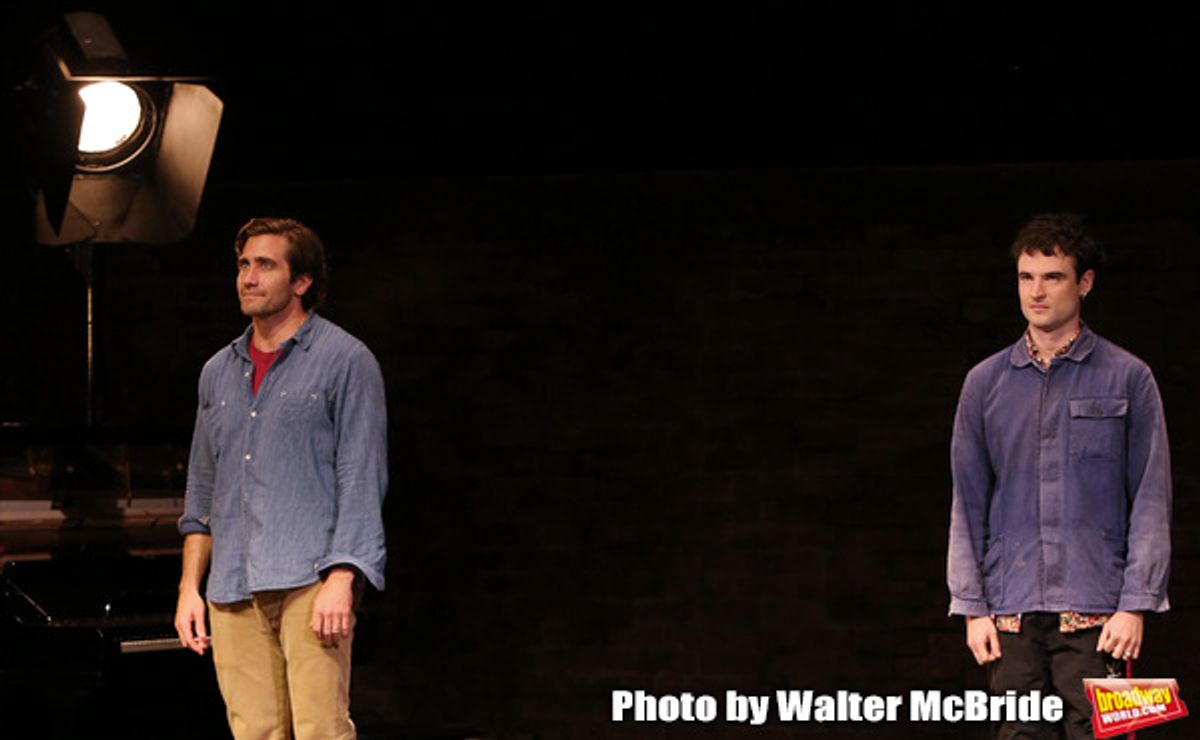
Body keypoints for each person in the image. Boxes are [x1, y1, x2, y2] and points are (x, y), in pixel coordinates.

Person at [947, 212, 1171, 739]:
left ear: (1084, 283)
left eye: (1053, 277)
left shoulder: (1128, 377)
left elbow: (1151, 496)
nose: (1036, 292)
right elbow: (968, 499)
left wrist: (1136, 603)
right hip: (1010, 610)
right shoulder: (985, 384)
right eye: (1026, 277)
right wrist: (971, 607)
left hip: (1100, 612)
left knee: (1106, 736)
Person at [174, 217, 387, 740]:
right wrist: (188, 588)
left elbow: (361, 476)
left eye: (265, 265)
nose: (248, 277)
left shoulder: (345, 361)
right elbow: (201, 488)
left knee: (321, 731)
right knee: (255, 732)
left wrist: (344, 577)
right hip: (231, 587)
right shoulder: (217, 371)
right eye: (244, 264)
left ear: (302, 281)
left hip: (308, 580)